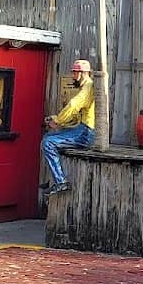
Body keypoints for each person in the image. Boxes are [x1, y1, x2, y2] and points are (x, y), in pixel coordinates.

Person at [41, 58, 95, 194]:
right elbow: (76, 115)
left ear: (81, 73)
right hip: (83, 128)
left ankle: (61, 182)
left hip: (86, 132)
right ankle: (55, 179)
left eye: (74, 73)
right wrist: (56, 119)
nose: (72, 76)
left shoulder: (87, 88)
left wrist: (58, 121)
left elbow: (72, 106)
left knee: (48, 143)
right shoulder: (88, 87)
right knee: (49, 136)